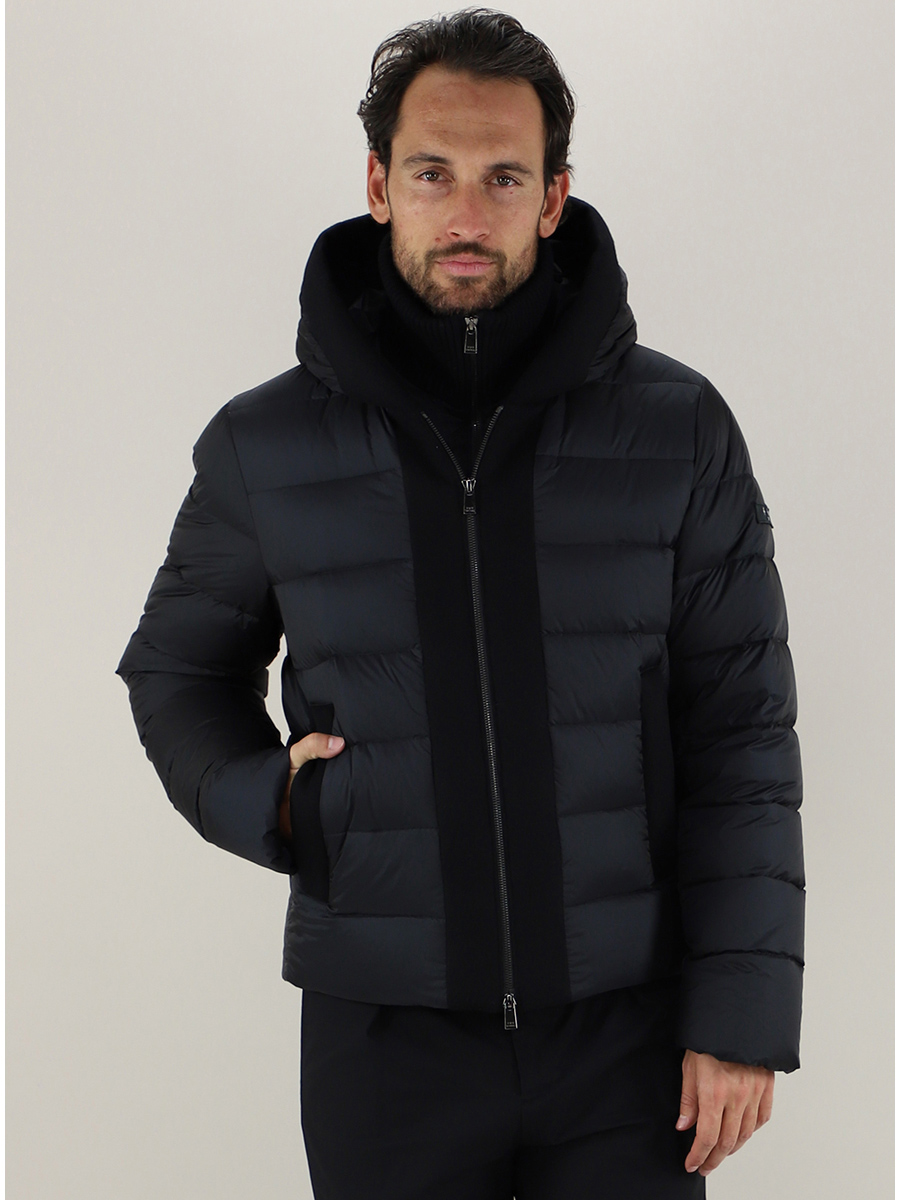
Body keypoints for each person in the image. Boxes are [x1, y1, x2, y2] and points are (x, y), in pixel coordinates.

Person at [117, 9, 804, 1197]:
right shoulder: (265, 444)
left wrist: (740, 1013)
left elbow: (741, 729)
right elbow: (176, 669)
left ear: (555, 197)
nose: (469, 216)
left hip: (628, 1033)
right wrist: (274, 801)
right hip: (384, 1039)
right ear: (379, 185)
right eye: (434, 173)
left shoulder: (677, 429)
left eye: (505, 177)